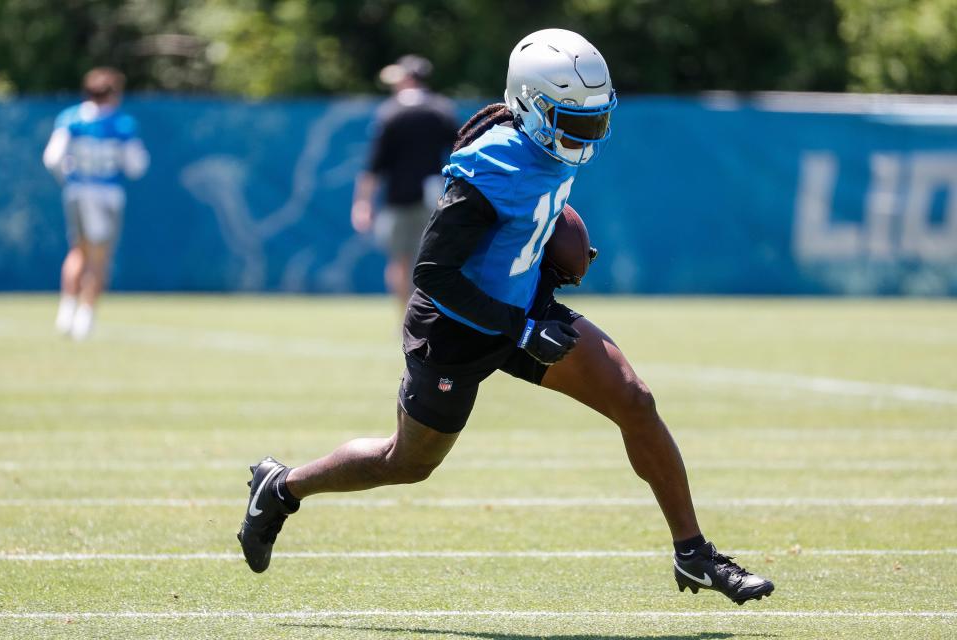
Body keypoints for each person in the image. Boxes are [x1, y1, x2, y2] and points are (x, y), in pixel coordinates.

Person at [239, 29, 774, 605]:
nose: (587, 133)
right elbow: (433, 274)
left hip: (522, 309)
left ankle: (694, 554)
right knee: (408, 461)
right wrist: (520, 328)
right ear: (532, 107)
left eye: (595, 120)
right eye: (574, 120)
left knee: (634, 402)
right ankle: (283, 486)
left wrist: (549, 245)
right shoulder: (487, 169)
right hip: (457, 329)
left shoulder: (544, 141)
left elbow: (528, 209)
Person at [43, 67, 149, 340]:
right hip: (106, 195)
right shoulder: (121, 123)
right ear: (113, 93)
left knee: (77, 251)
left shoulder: (70, 118)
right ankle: (84, 317)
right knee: (99, 258)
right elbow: (136, 166)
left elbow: (53, 158)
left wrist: (67, 178)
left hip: (77, 191)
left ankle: (66, 311)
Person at [350, 54, 458, 310]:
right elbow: (460, 149)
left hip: (398, 198)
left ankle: (405, 319)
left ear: (407, 78)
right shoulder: (440, 109)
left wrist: (362, 202)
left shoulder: (391, 113)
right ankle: (430, 319)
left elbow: (375, 165)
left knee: (399, 261)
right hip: (434, 199)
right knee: (435, 262)